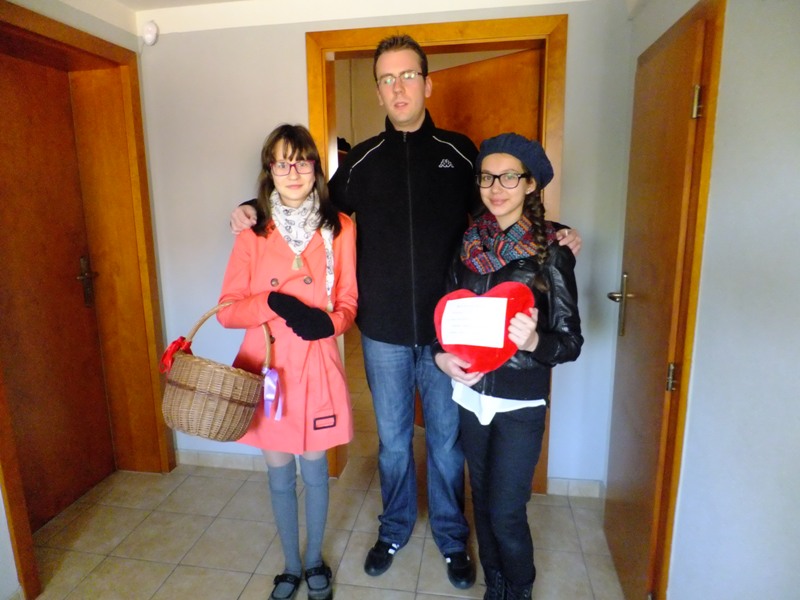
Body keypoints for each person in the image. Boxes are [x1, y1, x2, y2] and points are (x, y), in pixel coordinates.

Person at [229, 35, 582, 589]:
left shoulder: (461, 153)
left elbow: (502, 208)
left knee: (445, 444)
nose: (398, 88)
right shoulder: (360, 161)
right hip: (384, 333)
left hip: (451, 336)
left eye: (408, 76)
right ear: (378, 91)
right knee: (393, 444)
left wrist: (555, 231)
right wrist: (252, 207)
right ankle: (393, 528)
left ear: (427, 83)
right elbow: (309, 204)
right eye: (387, 79)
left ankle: (450, 537)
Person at [433, 133, 583, 600]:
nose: (495, 188)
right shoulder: (468, 244)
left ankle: (518, 590)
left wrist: (534, 340)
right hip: (469, 396)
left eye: (509, 177)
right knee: (481, 500)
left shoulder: (551, 251)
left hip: (520, 402)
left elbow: (571, 343)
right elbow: (445, 318)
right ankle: (494, 585)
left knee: (506, 512)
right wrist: (441, 357)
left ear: (530, 183)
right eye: (487, 177)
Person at [217, 124, 357, 600]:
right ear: (270, 171)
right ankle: (291, 565)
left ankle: (315, 559)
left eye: (301, 161)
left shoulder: (340, 227)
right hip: (268, 368)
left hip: (316, 366)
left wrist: (329, 324)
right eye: (282, 163)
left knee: (315, 471)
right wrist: (272, 302)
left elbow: (349, 302)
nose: (293, 172)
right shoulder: (253, 232)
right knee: (279, 473)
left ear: (316, 167)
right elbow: (227, 311)